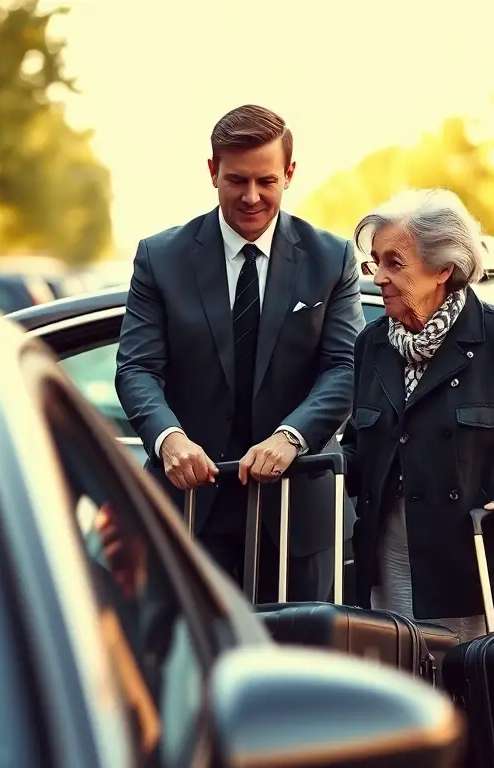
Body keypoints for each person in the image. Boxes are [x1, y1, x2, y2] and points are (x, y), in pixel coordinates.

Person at [115, 104, 364, 602]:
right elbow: (137, 367)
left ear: (289, 174)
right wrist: (168, 439)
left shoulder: (331, 257)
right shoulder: (159, 257)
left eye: (266, 181)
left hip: (297, 510)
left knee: (298, 668)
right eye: (237, 181)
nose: (252, 197)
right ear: (213, 172)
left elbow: (346, 366)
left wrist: (292, 437)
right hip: (186, 509)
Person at [342, 188, 494, 642]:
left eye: (394, 263)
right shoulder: (372, 345)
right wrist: (322, 461)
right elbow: (361, 445)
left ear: (443, 270)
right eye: (374, 261)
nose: (378, 277)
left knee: (486, 703)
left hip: (483, 564)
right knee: (412, 698)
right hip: (393, 562)